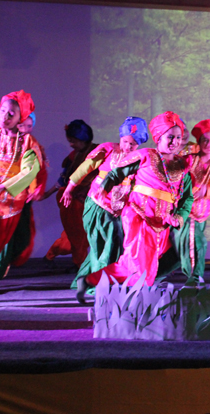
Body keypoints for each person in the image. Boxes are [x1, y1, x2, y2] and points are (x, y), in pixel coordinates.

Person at [82, 111, 193, 289]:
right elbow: (117, 173)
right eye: (170, 137)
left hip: (162, 223)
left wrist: (179, 216)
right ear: (158, 137)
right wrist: (104, 189)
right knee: (139, 260)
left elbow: (187, 198)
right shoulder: (146, 156)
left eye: (178, 137)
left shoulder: (182, 166)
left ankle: (94, 280)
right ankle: (137, 294)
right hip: (138, 216)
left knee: (147, 261)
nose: (175, 142)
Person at [64, 117, 149, 303]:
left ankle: (86, 281)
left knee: (109, 248)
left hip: (118, 211)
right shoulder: (108, 149)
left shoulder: (140, 158)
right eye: (125, 141)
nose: (128, 147)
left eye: (133, 144)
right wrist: (70, 188)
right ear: (120, 137)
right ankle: (98, 287)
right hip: (98, 205)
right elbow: (85, 168)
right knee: (106, 246)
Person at [0, 90, 43, 309]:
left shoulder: (28, 143)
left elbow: (29, 172)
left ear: (20, 117)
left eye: (11, 113)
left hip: (10, 204)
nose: (5, 116)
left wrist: (3, 187)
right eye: (3, 110)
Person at [157, 119, 210, 283]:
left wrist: (207, 191)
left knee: (179, 251)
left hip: (201, 216)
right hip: (185, 213)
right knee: (196, 244)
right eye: (205, 140)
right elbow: (173, 179)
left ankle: (151, 276)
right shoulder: (188, 160)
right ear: (199, 141)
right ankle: (195, 280)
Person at [0, 112, 48, 282]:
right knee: (3, 240)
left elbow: (40, 171)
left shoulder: (32, 145)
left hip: (22, 200)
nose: (26, 129)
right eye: (22, 125)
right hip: (1, 200)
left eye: (29, 126)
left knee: (23, 240)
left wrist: (38, 189)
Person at [44, 120, 97, 270]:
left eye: (73, 141)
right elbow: (63, 179)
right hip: (71, 201)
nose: (71, 145)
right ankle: (80, 265)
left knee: (76, 234)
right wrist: (47, 193)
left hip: (90, 200)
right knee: (78, 234)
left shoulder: (99, 152)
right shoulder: (73, 156)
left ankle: (51, 255)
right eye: (70, 141)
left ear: (83, 138)